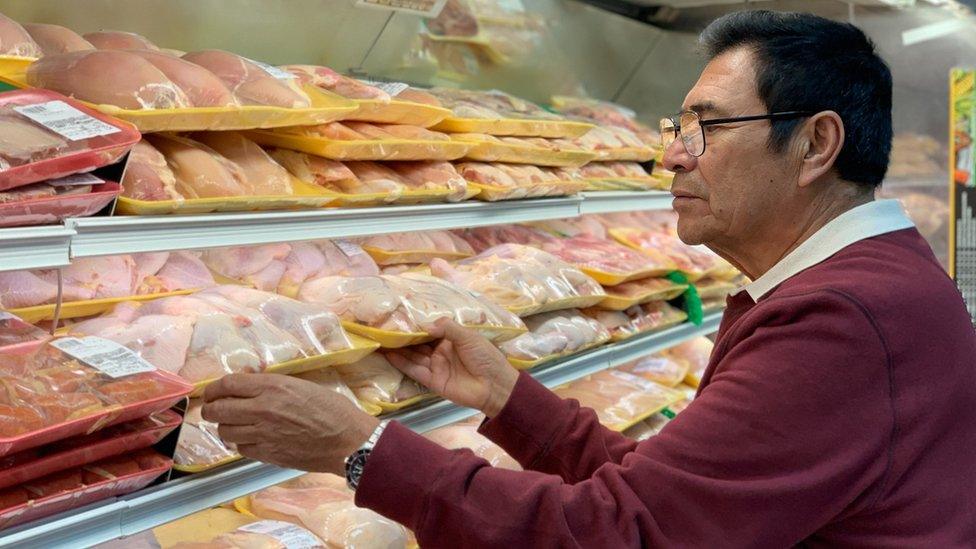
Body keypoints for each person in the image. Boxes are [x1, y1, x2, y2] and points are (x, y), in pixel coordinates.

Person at [201, 10, 976, 548]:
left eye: (703, 127)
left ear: (816, 145)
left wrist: (358, 446)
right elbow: (683, 506)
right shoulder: (875, 284)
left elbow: (624, 532)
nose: (671, 154)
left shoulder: (842, 318)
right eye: (676, 128)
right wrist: (512, 400)